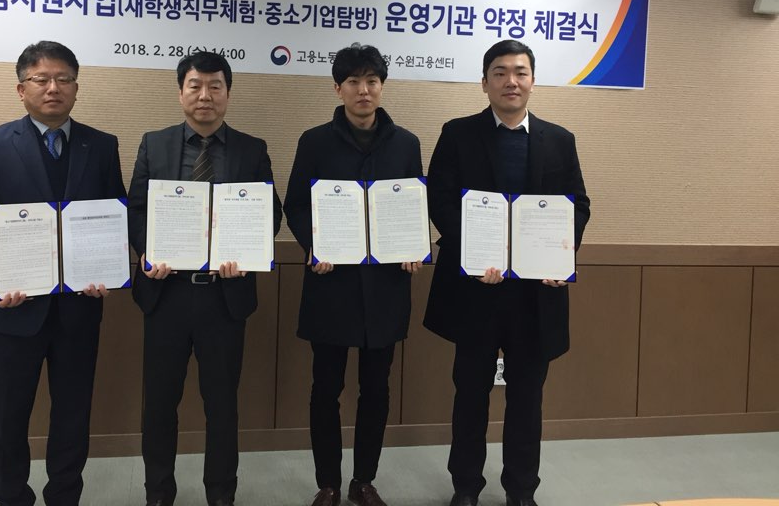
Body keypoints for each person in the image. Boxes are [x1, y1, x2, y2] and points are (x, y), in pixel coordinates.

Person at [0, 41, 126, 506]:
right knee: (7, 416)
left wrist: (109, 269)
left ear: (76, 88)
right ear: (21, 89)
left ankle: (64, 496)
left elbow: (114, 214)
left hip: (79, 306)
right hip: (12, 306)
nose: (53, 88)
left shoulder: (101, 145)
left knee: (73, 414)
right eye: (41, 79)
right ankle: (10, 496)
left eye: (64, 79)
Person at [423, 39, 591, 506]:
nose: (510, 81)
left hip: (535, 294)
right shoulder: (458, 133)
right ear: (484, 82)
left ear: (533, 81)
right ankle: (465, 488)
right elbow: (440, 199)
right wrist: (475, 255)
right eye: (500, 72)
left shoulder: (560, 139)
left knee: (527, 399)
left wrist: (561, 257)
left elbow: (578, 205)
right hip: (476, 289)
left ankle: (521, 490)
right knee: (470, 395)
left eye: (520, 72)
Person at [127, 51, 282, 506]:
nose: (205, 95)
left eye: (216, 86)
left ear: (228, 94)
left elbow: (269, 213)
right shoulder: (154, 144)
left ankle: (221, 494)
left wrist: (246, 253)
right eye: (195, 85)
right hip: (166, 295)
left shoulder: (252, 149)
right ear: (181, 93)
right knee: (159, 404)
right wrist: (147, 252)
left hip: (224, 296)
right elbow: (136, 209)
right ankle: (159, 492)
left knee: (222, 405)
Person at [283, 44, 425, 506]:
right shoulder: (314, 141)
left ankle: (363, 480)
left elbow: (412, 204)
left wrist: (413, 247)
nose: (364, 90)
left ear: (382, 86)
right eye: (353, 82)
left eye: (372, 81)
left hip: (385, 287)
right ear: (337, 88)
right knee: (325, 389)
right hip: (331, 284)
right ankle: (328, 483)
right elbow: (296, 205)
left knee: (376, 389)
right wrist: (313, 245)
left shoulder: (406, 143)